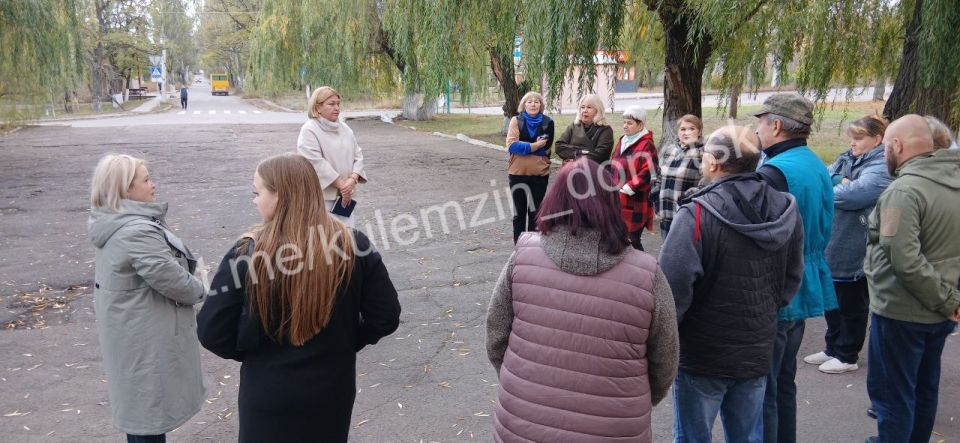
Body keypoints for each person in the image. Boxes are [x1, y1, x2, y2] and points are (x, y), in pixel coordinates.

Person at [197, 153, 401, 442]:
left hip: (267, 392)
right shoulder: (353, 244)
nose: (255, 201)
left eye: (257, 193)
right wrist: (344, 342)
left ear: (279, 196)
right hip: (331, 390)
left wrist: (253, 353)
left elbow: (212, 331)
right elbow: (385, 316)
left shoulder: (248, 252)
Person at [486, 158, 679, 442]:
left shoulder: (523, 256)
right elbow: (665, 359)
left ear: (554, 200)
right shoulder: (647, 274)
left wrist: (520, 381)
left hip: (522, 422)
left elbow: (496, 336)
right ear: (611, 203)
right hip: (615, 428)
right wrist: (633, 397)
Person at [660, 126, 804, 443]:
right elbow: (792, 279)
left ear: (713, 162)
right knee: (748, 435)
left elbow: (671, 290)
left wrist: (667, 339)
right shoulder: (785, 209)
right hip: (756, 345)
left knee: (692, 436)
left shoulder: (696, 213)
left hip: (703, 353)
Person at [88, 154, 207, 443]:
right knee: (147, 416)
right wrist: (204, 287)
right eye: (146, 179)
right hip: (144, 337)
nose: (153, 184)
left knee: (141, 413)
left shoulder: (114, 222)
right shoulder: (136, 231)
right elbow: (173, 281)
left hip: (130, 332)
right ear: (126, 189)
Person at [863, 114, 960, 443]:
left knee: (893, 396)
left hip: (902, 311)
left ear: (897, 145)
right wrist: (950, 300)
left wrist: (947, 300)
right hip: (940, 310)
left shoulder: (904, 191)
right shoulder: (952, 181)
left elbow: (903, 259)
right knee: (923, 388)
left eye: (886, 147)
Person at [753, 93, 836, 443]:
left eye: (760, 123)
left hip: (776, 287)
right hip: (803, 279)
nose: (757, 130)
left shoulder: (774, 172)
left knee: (763, 390)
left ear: (776, 125)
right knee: (783, 382)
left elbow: (759, 236)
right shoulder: (813, 162)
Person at [803, 116, 892, 374]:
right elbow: (823, 178)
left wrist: (837, 185)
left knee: (851, 300)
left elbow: (855, 194)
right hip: (837, 238)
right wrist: (837, 181)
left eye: (859, 138)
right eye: (852, 137)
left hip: (857, 242)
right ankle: (832, 347)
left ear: (877, 139)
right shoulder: (848, 157)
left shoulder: (882, 165)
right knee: (833, 296)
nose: (852, 143)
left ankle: (847, 354)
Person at [297, 86, 367, 226]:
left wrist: (352, 180)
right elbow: (315, 163)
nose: (337, 108)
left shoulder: (345, 128)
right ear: (318, 107)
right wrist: (342, 186)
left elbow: (358, 155)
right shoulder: (309, 130)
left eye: (338, 104)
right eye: (331, 104)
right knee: (326, 236)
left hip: (346, 197)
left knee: (347, 234)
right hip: (323, 199)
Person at [505, 91, 555, 243]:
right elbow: (512, 145)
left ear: (541, 105)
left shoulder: (548, 122)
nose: (533, 104)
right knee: (519, 214)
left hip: (539, 174)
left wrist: (525, 147)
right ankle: (519, 247)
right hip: (517, 174)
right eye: (529, 101)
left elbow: (546, 149)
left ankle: (533, 247)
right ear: (524, 105)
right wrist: (535, 145)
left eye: (536, 102)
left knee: (535, 213)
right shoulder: (516, 120)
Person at [611, 105, 658, 250]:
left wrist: (630, 186)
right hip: (618, 199)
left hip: (636, 201)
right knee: (619, 237)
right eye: (624, 122)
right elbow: (614, 163)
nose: (625, 126)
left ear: (640, 125)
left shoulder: (647, 144)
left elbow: (649, 171)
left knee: (632, 240)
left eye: (629, 123)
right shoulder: (623, 140)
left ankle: (645, 263)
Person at [657, 114, 704, 238]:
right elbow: (659, 175)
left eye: (692, 128)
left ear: (699, 132)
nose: (686, 132)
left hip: (686, 215)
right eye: (683, 129)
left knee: (682, 248)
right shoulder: (669, 150)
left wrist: (687, 197)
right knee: (667, 247)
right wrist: (656, 196)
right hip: (665, 212)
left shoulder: (703, 153)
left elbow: (706, 184)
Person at [554, 94, 614, 163]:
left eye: (589, 107)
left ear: (597, 110)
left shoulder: (605, 130)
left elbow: (600, 155)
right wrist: (580, 152)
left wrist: (574, 156)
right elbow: (559, 146)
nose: (585, 110)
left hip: (594, 168)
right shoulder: (574, 126)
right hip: (570, 168)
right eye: (582, 107)